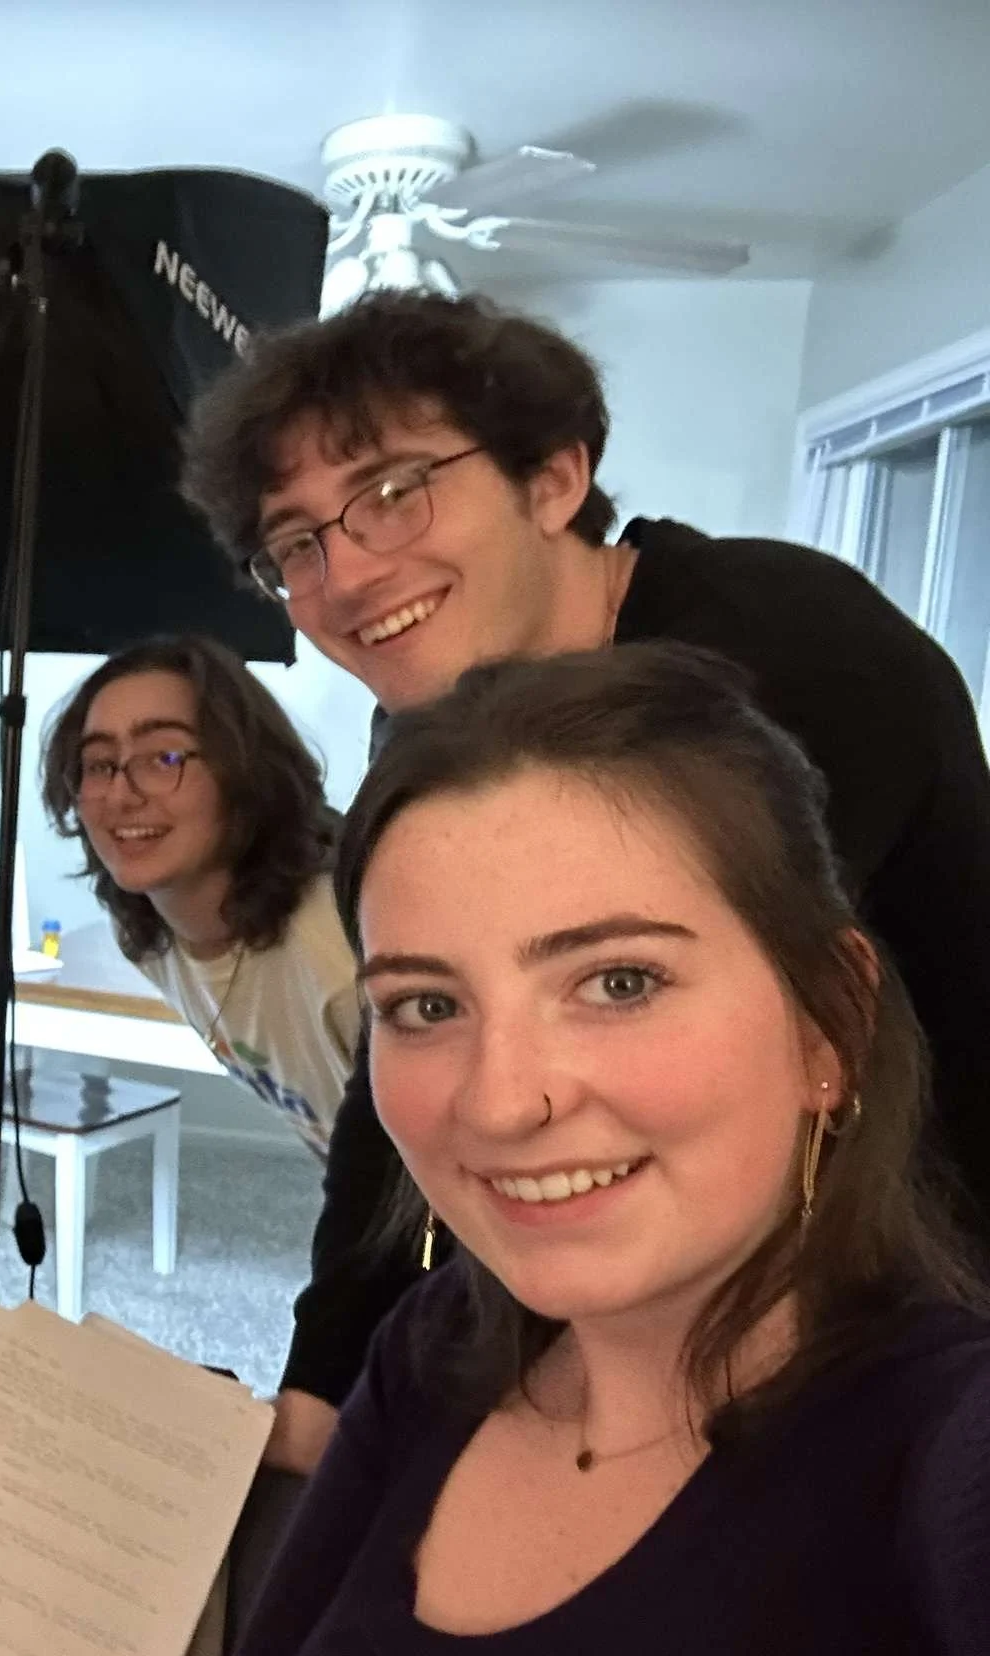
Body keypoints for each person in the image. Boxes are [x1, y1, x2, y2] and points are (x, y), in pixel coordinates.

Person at [179, 289, 990, 1473]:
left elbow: (693, 1080)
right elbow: (398, 1063)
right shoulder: (434, 733)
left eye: (394, 493)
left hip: (920, 1284)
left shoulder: (781, 652)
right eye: (296, 544)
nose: (346, 576)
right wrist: (327, 1370)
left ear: (555, 479)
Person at [238, 645, 990, 1653]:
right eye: (426, 1005)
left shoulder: (945, 1451)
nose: (502, 1103)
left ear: (832, 1024)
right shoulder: (434, 1347)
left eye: (620, 983)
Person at [39, 633, 356, 1158]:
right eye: (98, 764)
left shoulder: (336, 948)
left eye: (163, 757)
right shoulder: (148, 934)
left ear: (244, 771)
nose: (121, 794)